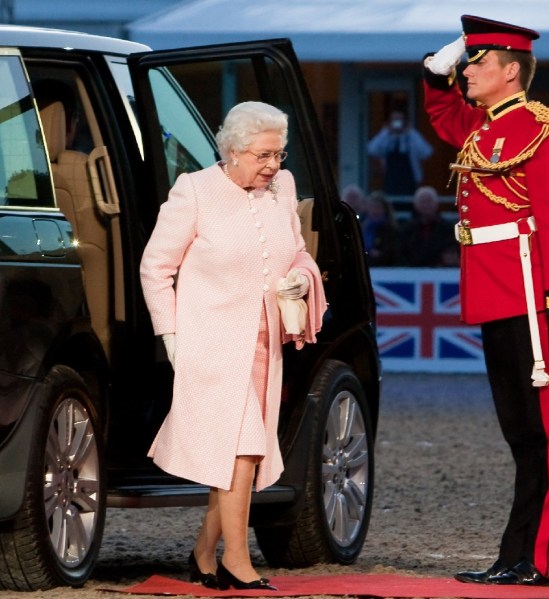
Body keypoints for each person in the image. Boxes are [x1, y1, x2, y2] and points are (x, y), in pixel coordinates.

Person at [422, 15, 549, 586]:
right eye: (467, 63)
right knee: (521, 435)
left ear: (511, 72)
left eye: (478, 62)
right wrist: (434, 68)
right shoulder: (485, 126)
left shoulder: (539, 128)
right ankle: (515, 555)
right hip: (495, 295)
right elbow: (446, 117)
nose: (467, 71)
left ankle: (543, 561)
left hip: (532, 295)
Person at [139, 101, 326, 591]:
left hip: (266, 343)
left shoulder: (281, 188)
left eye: (279, 155)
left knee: (245, 452)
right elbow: (155, 267)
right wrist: (173, 339)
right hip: (210, 344)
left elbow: (298, 248)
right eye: (263, 155)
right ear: (232, 150)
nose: (272, 166)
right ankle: (236, 562)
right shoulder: (195, 190)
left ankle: (203, 552)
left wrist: (302, 278)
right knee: (240, 452)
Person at [367, 110, 433, 196]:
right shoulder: (386, 139)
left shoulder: (411, 138)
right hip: (390, 181)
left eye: (399, 120)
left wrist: (411, 131)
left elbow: (427, 152)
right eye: (394, 120)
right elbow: (371, 149)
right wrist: (385, 131)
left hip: (409, 181)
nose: (397, 123)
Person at [399, 185, 458, 266]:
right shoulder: (406, 229)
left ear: (436, 204)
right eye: (423, 201)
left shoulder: (448, 229)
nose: (426, 205)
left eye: (429, 201)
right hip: (412, 272)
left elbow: (451, 253)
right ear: (416, 205)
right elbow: (402, 254)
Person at [362, 190, 401, 266]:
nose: (374, 210)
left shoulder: (391, 229)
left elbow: (394, 252)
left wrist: (379, 254)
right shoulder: (362, 227)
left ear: (385, 209)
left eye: (377, 207)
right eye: (372, 207)